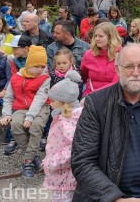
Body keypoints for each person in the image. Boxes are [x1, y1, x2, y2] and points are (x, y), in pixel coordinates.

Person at [71, 44, 140, 201]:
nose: (135, 73)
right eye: (129, 66)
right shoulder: (97, 104)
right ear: (117, 69)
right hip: (107, 197)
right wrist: (115, 198)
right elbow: (82, 160)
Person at [0, 45, 51, 179]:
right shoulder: (16, 78)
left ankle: (28, 162)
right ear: (28, 64)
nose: (40, 70)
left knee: (36, 126)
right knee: (15, 125)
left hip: (40, 108)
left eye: (42, 66)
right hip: (21, 108)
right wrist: (6, 114)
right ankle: (34, 156)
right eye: (36, 66)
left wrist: (30, 117)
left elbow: (40, 99)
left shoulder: (45, 78)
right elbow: (9, 97)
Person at [43, 70, 82, 202]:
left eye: (53, 100)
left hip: (64, 177)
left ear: (63, 102)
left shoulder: (65, 122)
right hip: (66, 175)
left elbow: (74, 148)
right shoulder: (72, 117)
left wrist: (51, 162)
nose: (50, 103)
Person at [2, 35, 32, 155]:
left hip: (32, 91)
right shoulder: (14, 61)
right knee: (14, 111)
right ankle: (13, 137)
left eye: (15, 48)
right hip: (18, 90)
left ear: (25, 48)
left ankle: (42, 136)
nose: (13, 51)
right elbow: (14, 77)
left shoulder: (34, 59)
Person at [81, 22, 122, 96]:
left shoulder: (120, 55)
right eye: (95, 36)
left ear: (110, 37)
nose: (97, 39)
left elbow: (116, 82)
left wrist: (96, 95)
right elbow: (83, 77)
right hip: (89, 95)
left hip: (112, 96)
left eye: (100, 36)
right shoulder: (89, 54)